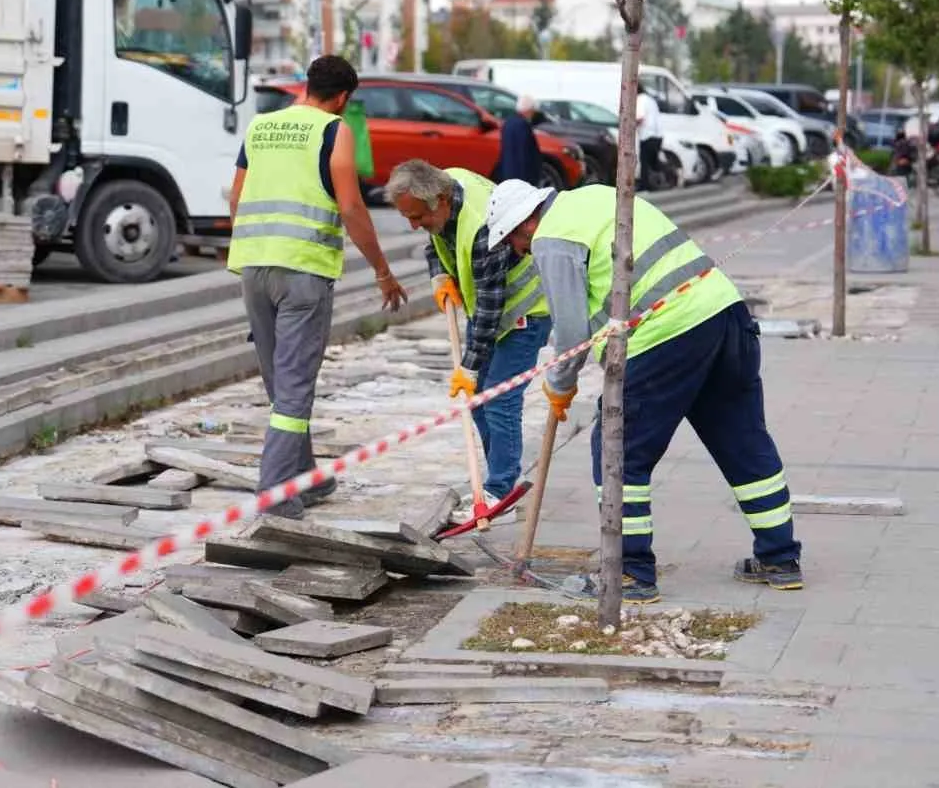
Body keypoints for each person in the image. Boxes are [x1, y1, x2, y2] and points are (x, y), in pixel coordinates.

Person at [484, 179, 804, 604]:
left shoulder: (551, 237)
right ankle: (780, 558)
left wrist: (560, 384)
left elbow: (572, 329)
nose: (522, 254)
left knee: (618, 451)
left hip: (665, 335)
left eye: (514, 245)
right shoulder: (596, 195)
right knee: (743, 440)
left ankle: (631, 573)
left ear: (522, 226)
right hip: (725, 313)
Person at [228, 55, 408, 518]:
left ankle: (303, 475)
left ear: (307, 86)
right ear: (344, 98)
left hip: (254, 267)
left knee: (280, 379)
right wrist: (382, 271)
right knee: (293, 387)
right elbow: (350, 206)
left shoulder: (261, 127)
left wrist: (256, 246)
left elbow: (236, 196)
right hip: (303, 272)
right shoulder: (334, 130)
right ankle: (276, 494)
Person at [384, 160, 553, 504]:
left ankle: (501, 487)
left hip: (524, 312)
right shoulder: (445, 184)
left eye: (418, 217)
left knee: (498, 397)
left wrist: (470, 366)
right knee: (478, 399)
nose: (415, 226)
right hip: (489, 307)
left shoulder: (481, 231)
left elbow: (491, 311)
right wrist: (439, 275)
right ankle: (501, 475)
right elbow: (436, 240)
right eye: (408, 219)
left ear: (441, 200)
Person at [495, 95, 543, 185]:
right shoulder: (523, 125)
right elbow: (524, 152)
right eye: (533, 111)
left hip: (508, 171)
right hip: (521, 176)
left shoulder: (508, 122)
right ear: (529, 110)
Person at [637, 88, 663, 191]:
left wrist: (629, 127)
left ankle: (645, 185)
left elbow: (640, 117)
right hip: (658, 135)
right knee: (653, 162)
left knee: (645, 162)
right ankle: (665, 179)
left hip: (647, 135)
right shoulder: (651, 100)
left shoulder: (640, 99)